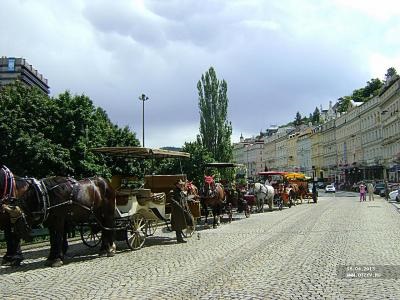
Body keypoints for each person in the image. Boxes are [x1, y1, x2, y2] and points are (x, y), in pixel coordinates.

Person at [170, 179, 193, 244]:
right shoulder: (173, 192)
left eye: (182, 184)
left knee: (187, 219)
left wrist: (189, 200)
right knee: (178, 225)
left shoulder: (181, 191)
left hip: (182, 210)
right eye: (180, 184)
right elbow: (172, 200)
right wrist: (179, 206)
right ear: (176, 185)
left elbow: (184, 199)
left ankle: (181, 237)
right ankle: (179, 239)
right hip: (176, 211)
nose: (181, 185)